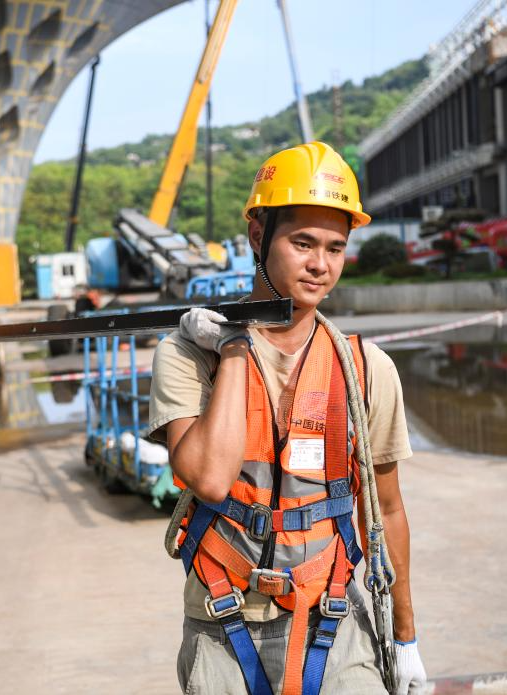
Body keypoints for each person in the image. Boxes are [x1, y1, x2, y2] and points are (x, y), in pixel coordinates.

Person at [149, 142, 427, 695]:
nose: (320, 265)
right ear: (258, 237)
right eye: (302, 243)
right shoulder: (187, 355)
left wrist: (406, 635)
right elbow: (209, 478)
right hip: (223, 625)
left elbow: (387, 508)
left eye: (335, 247)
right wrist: (232, 349)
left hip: (335, 620)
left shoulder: (365, 369)